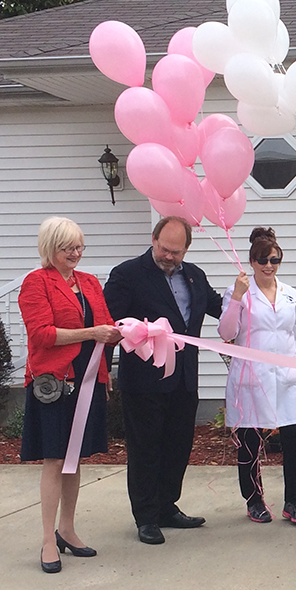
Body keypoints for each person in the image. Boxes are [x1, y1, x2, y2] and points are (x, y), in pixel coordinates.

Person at [103, 216, 224, 545]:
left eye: (176, 251)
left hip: (184, 379)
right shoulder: (127, 274)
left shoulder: (195, 276)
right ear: (154, 240)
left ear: (187, 249)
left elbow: (219, 308)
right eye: (164, 249)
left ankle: (167, 507)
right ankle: (146, 517)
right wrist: (104, 369)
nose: (169, 256)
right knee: (145, 449)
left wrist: (249, 297)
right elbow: (109, 325)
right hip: (144, 380)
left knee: (178, 446)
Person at [18, 217, 122, 573]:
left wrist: (134, 333)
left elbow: (106, 331)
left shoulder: (89, 282)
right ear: (50, 248)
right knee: (54, 458)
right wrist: (92, 332)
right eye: (68, 248)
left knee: (74, 459)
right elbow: (42, 334)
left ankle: (67, 529)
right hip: (54, 382)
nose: (76, 254)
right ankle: (48, 539)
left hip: (88, 380)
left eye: (79, 247)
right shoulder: (36, 282)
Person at [218, 227, 296, 525]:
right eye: (262, 260)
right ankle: (254, 500)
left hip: (287, 377)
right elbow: (227, 332)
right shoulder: (240, 293)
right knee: (250, 442)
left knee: (293, 441)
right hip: (251, 378)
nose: (269, 266)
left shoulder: (290, 294)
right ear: (252, 262)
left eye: (274, 260)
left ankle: (294, 502)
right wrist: (236, 297)